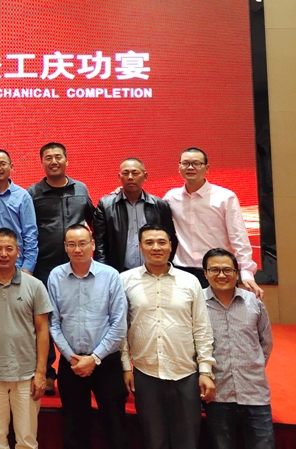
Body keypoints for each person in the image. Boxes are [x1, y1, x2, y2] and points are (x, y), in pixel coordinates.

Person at [121, 224, 216, 449]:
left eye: (162, 242)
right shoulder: (125, 280)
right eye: (149, 242)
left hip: (185, 372)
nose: (156, 247)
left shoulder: (190, 281)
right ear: (140, 247)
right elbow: (121, 328)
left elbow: (202, 328)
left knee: (187, 440)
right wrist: (126, 367)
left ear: (171, 246)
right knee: (154, 440)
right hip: (146, 372)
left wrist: (205, 370)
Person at [0, 228, 53, 449]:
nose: (3, 254)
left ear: (18, 251)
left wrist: (41, 372)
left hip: (26, 374)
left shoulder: (35, 286)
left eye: (9, 248)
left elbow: (43, 330)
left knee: (26, 441)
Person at [47, 225, 128, 449]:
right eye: (71, 244)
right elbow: (53, 323)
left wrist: (95, 358)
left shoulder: (110, 276)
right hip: (71, 363)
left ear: (92, 245)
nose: (77, 249)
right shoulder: (56, 276)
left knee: (115, 427)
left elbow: (119, 323)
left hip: (106, 362)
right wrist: (70, 357)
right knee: (74, 429)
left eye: (83, 243)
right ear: (65, 247)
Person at [27, 142, 94, 394]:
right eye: (48, 158)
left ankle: (81, 363)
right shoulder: (33, 193)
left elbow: (94, 220)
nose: (54, 161)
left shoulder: (81, 189)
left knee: (78, 315)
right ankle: (47, 371)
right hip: (44, 266)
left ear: (66, 160)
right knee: (43, 319)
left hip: (76, 265)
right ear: (42, 162)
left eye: (58, 157)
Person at [163, 147, 263, 297]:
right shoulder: (171, 197)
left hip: (217, 272)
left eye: (196, 163)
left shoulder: (225, 197)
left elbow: (239, 237)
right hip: (182, 272)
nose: (190, 167)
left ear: (207, 168)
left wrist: (247, 273)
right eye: (185, 163)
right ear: (179, 167)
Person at [202, 248, 275, 449]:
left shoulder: (253, 302)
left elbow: (266, 342)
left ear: (237, 273)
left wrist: (253, 366)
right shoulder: (197, 303)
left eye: (227, 270)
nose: (221, 275)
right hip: (217, 394)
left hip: (255, 392)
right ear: (205, 273)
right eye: (214, 270)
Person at [93, 158, 177, 272]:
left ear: (145, 176)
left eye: (135, 173)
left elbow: (170, 238)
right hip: (118, 270)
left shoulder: (159, 205)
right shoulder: (105, 205)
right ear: (119, 177)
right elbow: (100, 243)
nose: (130, 177)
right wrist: (103, 271)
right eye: (125, 173)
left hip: (153, 270)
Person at [0, 149, 37, 274]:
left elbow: (30, 234)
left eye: (3, 164)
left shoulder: (23, 196)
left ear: (11, 167)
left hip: (16, 266)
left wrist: (28, 267)